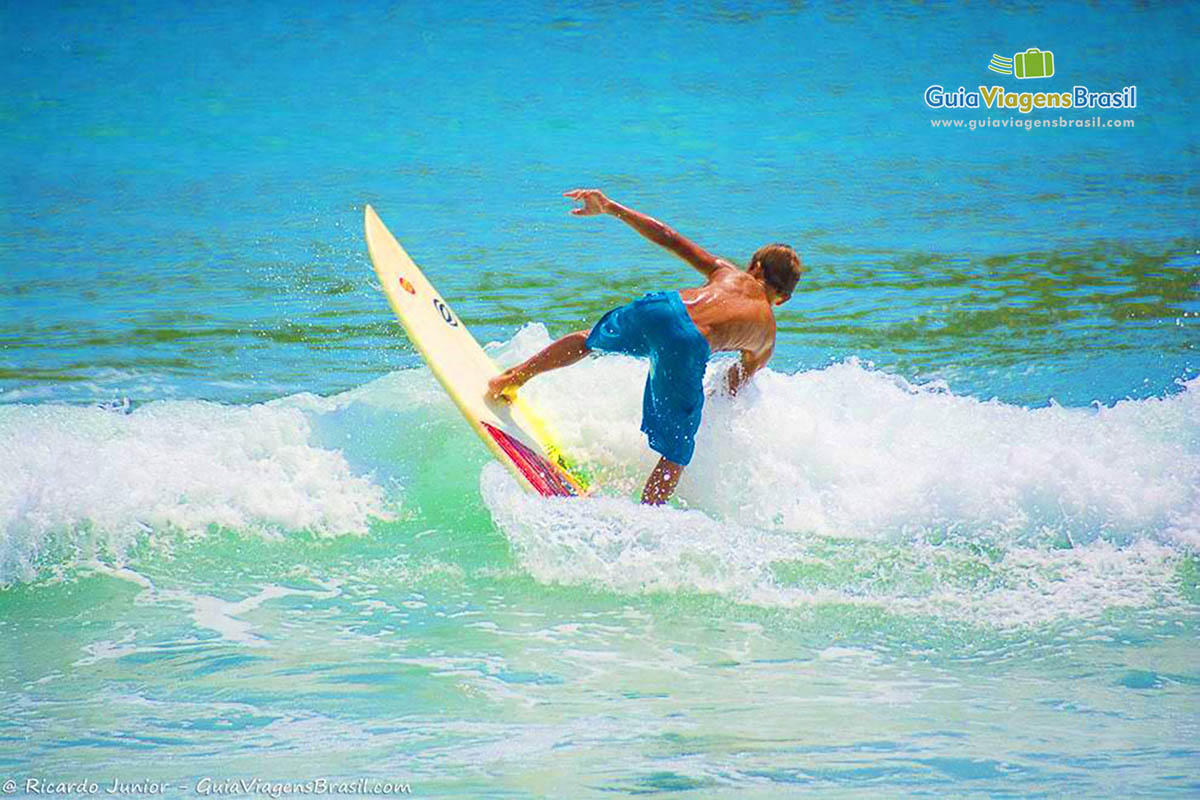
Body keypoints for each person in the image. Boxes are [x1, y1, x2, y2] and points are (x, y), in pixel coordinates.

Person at [487, 189, 802, 505]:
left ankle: (512, 378)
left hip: (665, 306)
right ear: (784, 298)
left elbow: (668, 236)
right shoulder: (766, 338)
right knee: (677, 452)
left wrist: (611, 208)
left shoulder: (728, 273)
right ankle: (645, 514)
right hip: (690, 345)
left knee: (589, 339)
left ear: (755, 267)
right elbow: (732, 385)